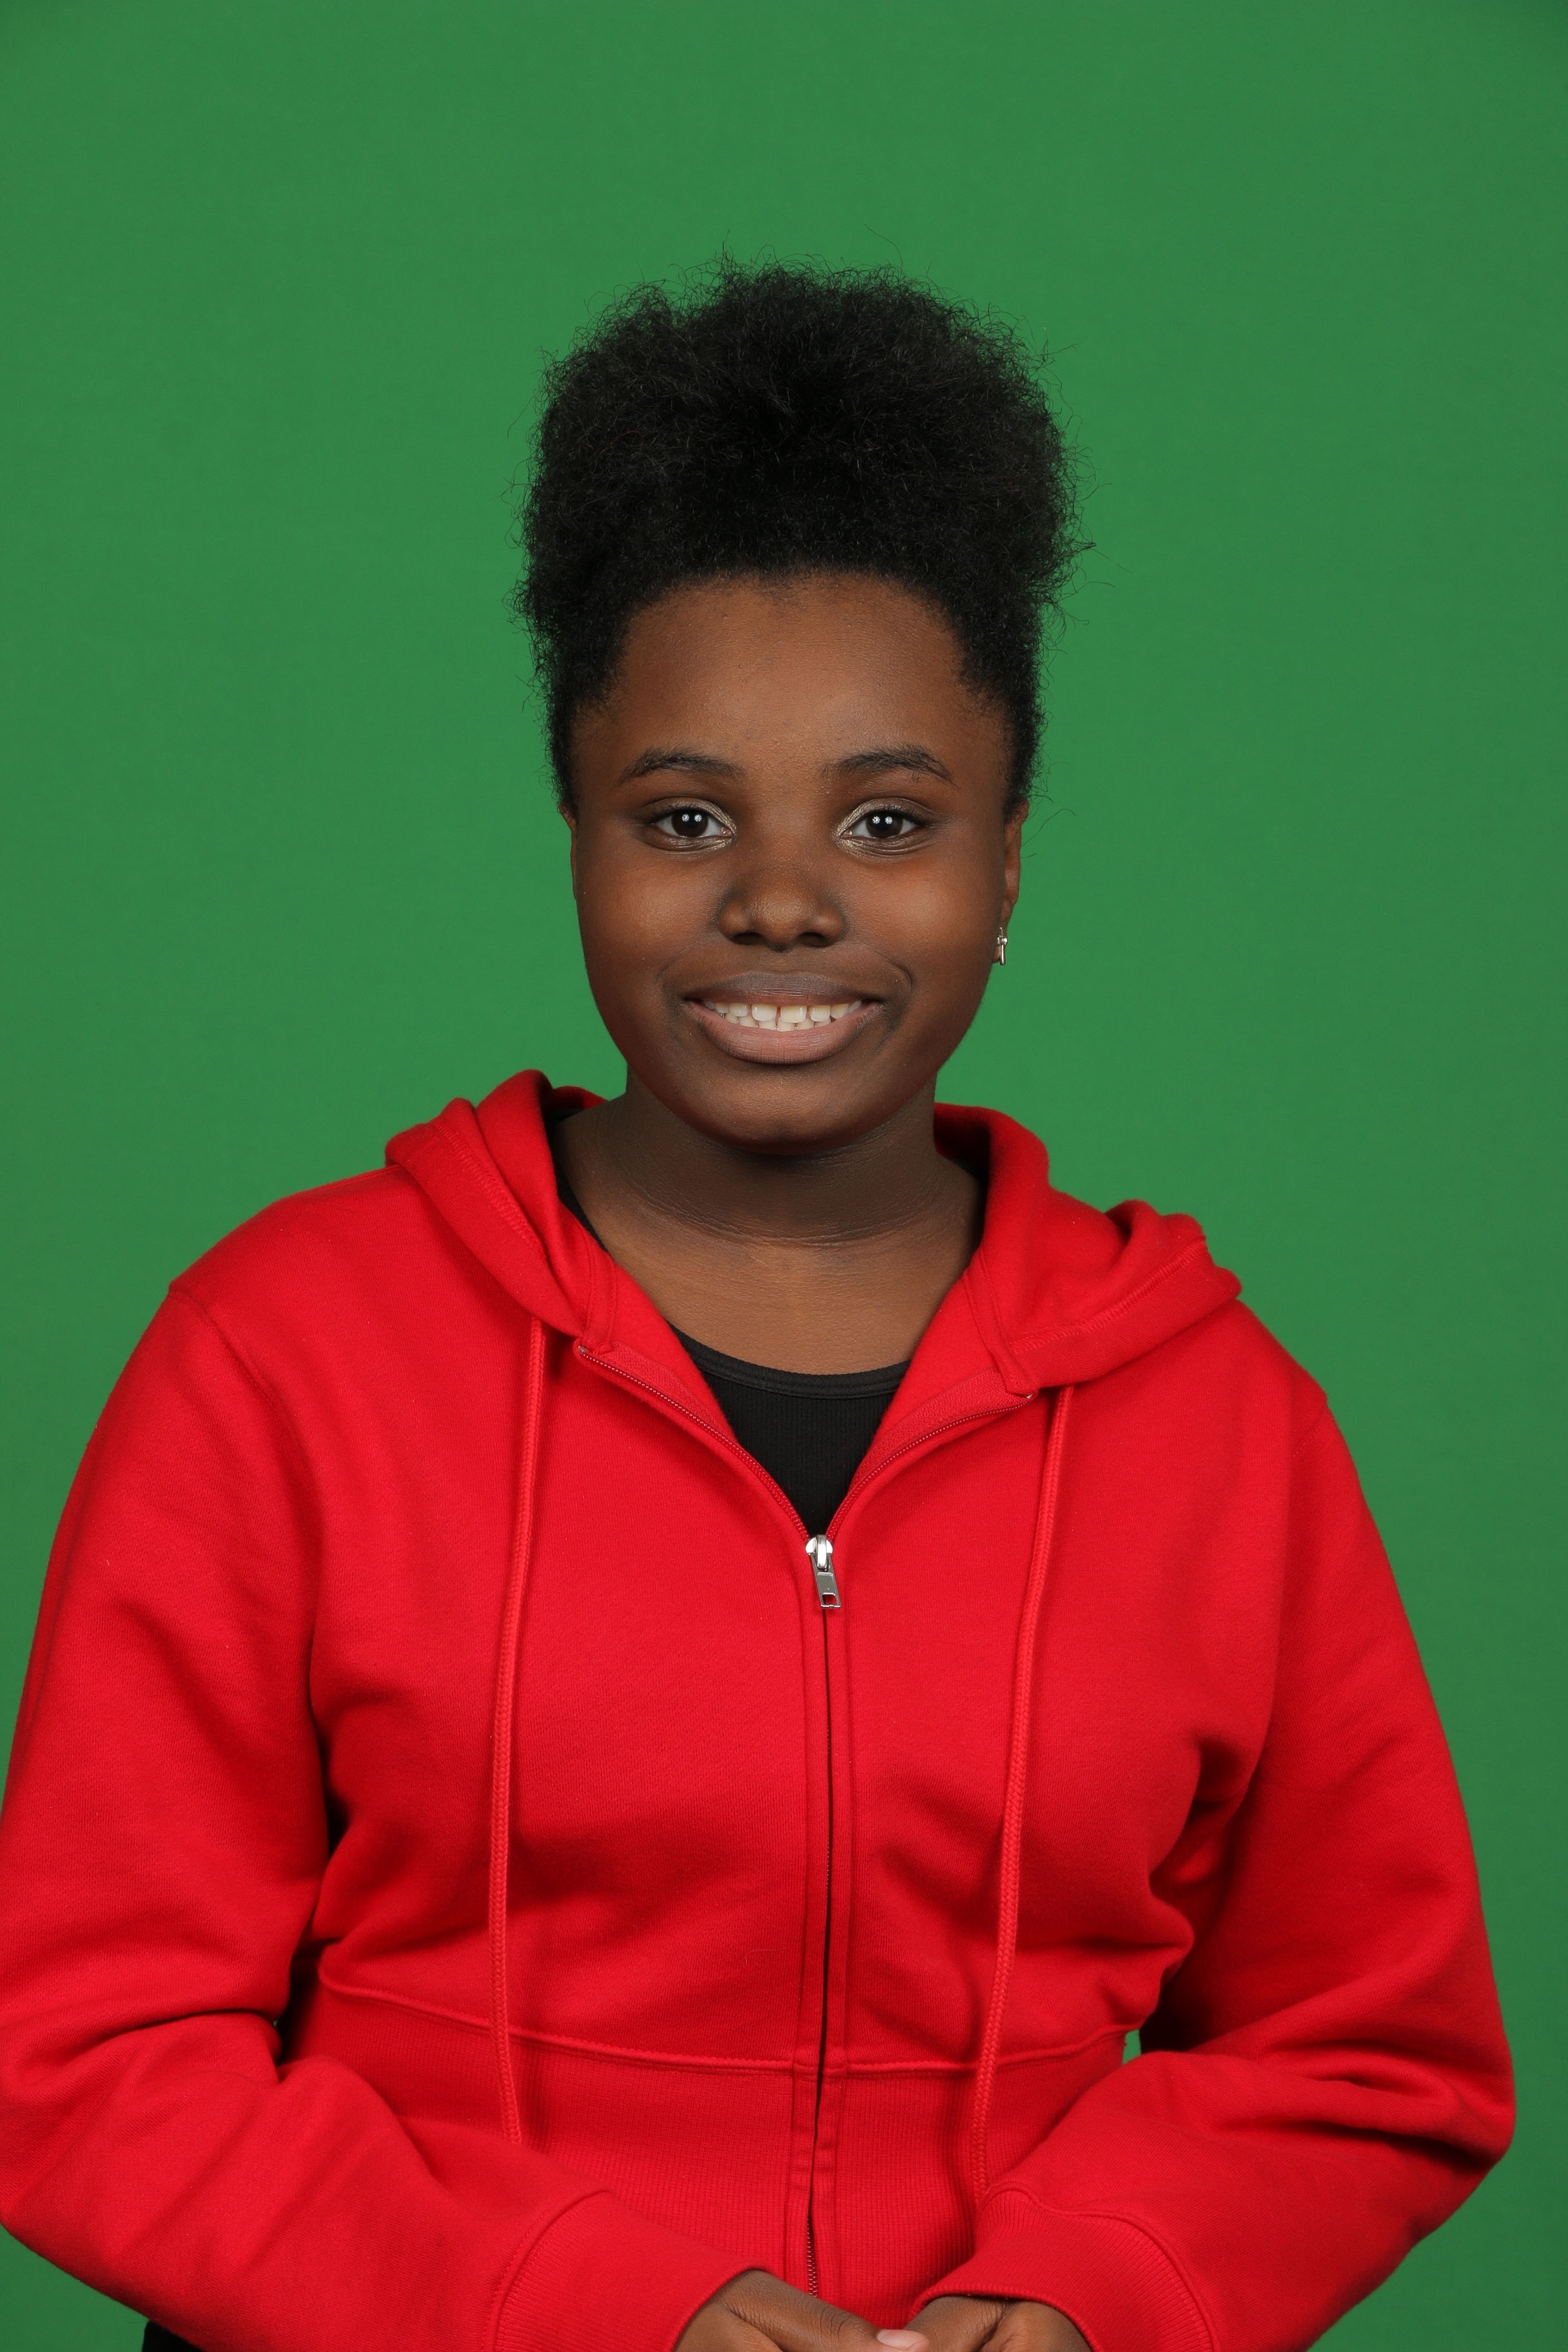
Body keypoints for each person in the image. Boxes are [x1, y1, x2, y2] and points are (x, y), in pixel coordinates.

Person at [0, 263, 1511, 2352]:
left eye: (888, 821)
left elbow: (1371, 2055)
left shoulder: (1218, 1420)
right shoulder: (284, 1358)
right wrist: (582, 2309)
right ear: (576, 830)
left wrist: (1093, 2296)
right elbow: (82, 2058)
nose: (783, 898)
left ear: (1008, 858)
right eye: (686, 817)